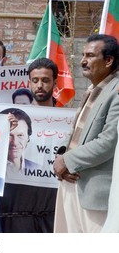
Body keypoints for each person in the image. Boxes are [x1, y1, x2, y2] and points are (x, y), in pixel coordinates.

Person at [53, 34, 119, 233]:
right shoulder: (93, 89)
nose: (83, 61)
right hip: (72, 183)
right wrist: (63, 155)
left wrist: (67, 161)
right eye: (83, 55)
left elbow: (109, 142)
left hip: (95, 194)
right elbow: (77, 133)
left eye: (90, 55)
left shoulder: (115, 91)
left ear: (108, 61)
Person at [0, 59, 59, 233]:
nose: (40, 85)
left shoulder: (69, 118)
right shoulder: (12, 118)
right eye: (35, 80)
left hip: (51, 206)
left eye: (45, 80)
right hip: (18, 204)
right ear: (29, 83)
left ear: (55, 82)